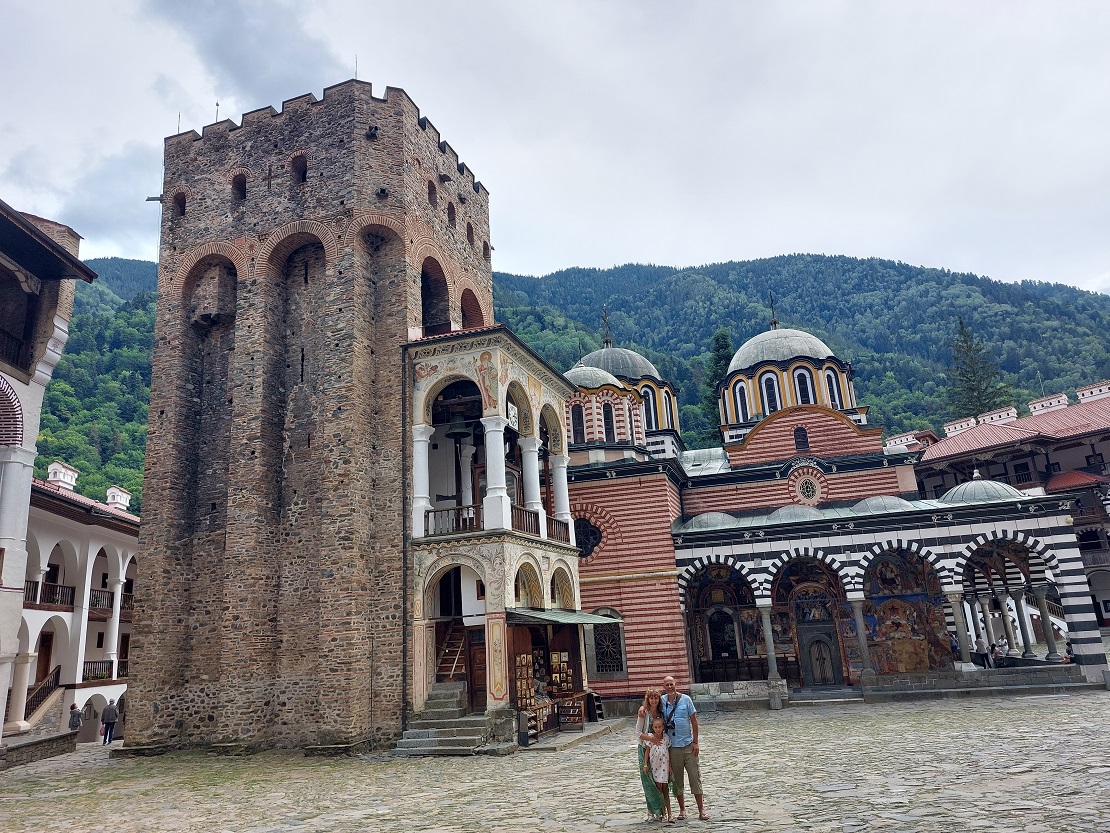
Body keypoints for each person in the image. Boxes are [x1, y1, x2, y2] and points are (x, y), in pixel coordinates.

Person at [661, 675, 709, 821]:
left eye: (672, 684)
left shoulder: (686, 699)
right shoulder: (661, 702)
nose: (670, 687)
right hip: (673, 748)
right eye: (667, 685)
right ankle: (682, 810)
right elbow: (650, 705)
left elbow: (694, 721)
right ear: (664, 687)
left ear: (676, 684)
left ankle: (701, 810)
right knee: (677, 781)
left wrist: (695, 742)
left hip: (688, 746)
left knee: (695, 778)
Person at [635, 688, 667, 821]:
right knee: (648, 781)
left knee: (660, 781)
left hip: (660, 753)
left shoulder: (661, 713)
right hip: (645, 750)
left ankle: (662, 810)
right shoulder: (644, 713)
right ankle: (651, 810)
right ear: (648, 699)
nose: (654, 700)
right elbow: (638, 733)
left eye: (656, 698)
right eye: (651, 698)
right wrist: (651, 739)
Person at [639, 717, 675, 823]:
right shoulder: (650, 738)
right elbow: (647, 752)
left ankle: (670, 814)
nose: (658, 729)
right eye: (656, 727)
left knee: (665, 790)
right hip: (655, 767)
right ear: (653, 728)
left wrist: (670, 767)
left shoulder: (666, 738)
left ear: (663, 727)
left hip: (664, 767)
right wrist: (645, 764)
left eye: (660, 727)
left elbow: (668, 752)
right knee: (659, 790)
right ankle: (663, 813)